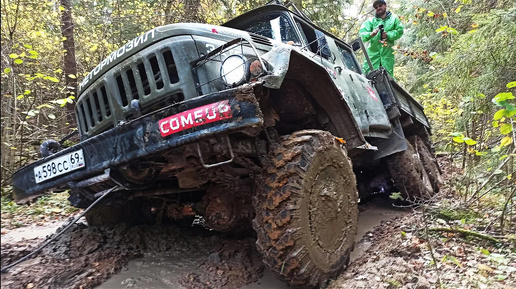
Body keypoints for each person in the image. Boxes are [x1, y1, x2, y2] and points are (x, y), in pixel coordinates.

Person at [358, 0, 404, 77]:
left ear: (385, 5)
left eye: (380, 5)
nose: (378, 8)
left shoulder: (394, 19)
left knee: (386, 79)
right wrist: (371, 34)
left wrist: (388, 35)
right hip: (372, 57)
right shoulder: (371, 21)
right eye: (376, 7)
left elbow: (400, 31)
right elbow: (362, 34)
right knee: (368, 78)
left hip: (387, 56)